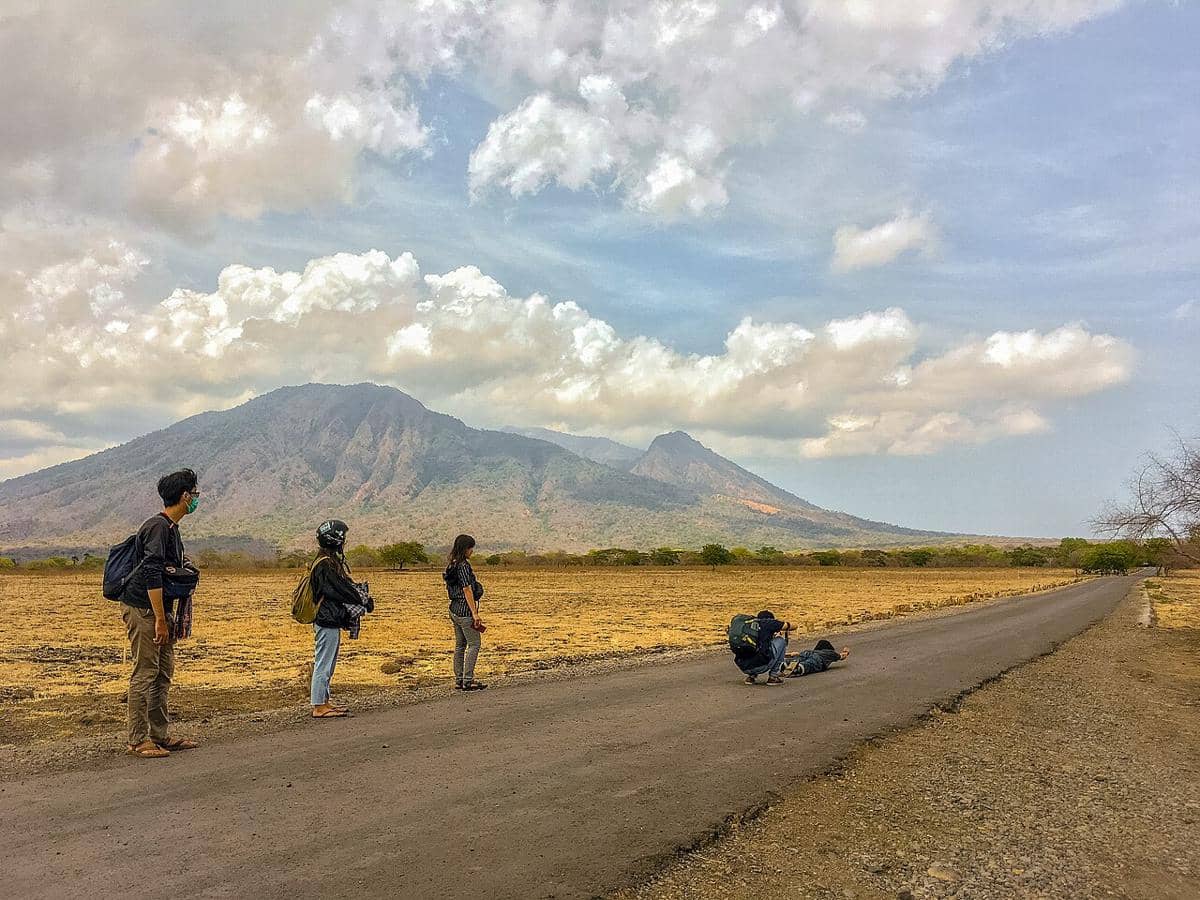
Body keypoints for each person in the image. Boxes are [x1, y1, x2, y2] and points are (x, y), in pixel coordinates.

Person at [118, 468, 202, 758]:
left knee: (163, 672)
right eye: (195, 494)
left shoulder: (170, 529)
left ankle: (159, 735)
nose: (196, 499)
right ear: (184, 496)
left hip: (157, 609)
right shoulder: (158, 527)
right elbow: (153, 573)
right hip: (144, 608)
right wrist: (160, 620)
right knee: (145, 672)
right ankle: (138, 739)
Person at [309, 519, 373, 719]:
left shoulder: (326, 562)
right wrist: (362, 599)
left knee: (328, 662)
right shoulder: (326, 565)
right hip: (326, 619)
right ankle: (319, 706)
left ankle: (324, 702)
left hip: (330, 619)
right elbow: (340, 589)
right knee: (324, 662)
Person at [443, 533, 486, 691]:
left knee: (460, 645)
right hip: (464, 611)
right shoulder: (463, 565)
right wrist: (474, 613)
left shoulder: (451, 564)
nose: (472, 551)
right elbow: (467, 589)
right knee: (474, 644)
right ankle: (468, 680)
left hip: (453, 609)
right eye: (470, 548)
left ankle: (459, 679)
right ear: (465, 549)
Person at [732, 609, 794, 686]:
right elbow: (793, 626)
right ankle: (773, 677)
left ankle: (751, 677)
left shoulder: (751, 627)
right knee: (781, 641)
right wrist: (782, 628)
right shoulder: (769, 623)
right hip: (762, 665)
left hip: (744, 667)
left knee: (754, 648)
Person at [786, 639, 850, 677]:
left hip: (807, 653)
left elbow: (796, 654)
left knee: (799, 658)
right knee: (810, 663)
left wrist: (790, 654)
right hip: (818, 658)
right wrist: (846, 652)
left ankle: (787, 663)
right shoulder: (831, 653)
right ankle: (799, 668)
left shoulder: (815, 650)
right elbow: (842, 656)